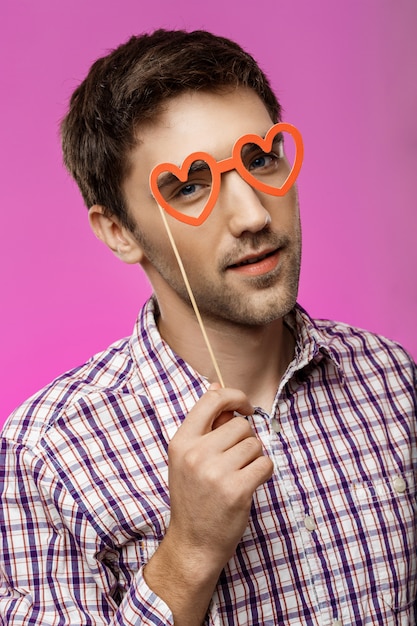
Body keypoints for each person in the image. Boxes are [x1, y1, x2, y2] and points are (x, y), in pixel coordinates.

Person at [0, 28, 416, 626]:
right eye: (189, 185)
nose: (252, 215)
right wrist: (188, 555)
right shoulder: (47, 455)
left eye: (260, 158)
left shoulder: (394, 380)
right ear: (118, 231)